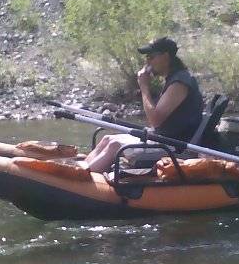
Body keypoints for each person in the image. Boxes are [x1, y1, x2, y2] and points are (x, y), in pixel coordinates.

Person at [83, 37, 204, 172]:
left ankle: (81, 178)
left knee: (115, 145)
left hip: (174, 145)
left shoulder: (180, 82)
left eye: (152, 56)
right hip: (161, 139)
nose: (147, 61)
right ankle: (78, 170)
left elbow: (155, 120)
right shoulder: (174, 78)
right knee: (107, 138)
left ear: (166, 56)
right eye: (147, 57)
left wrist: (144, 86)